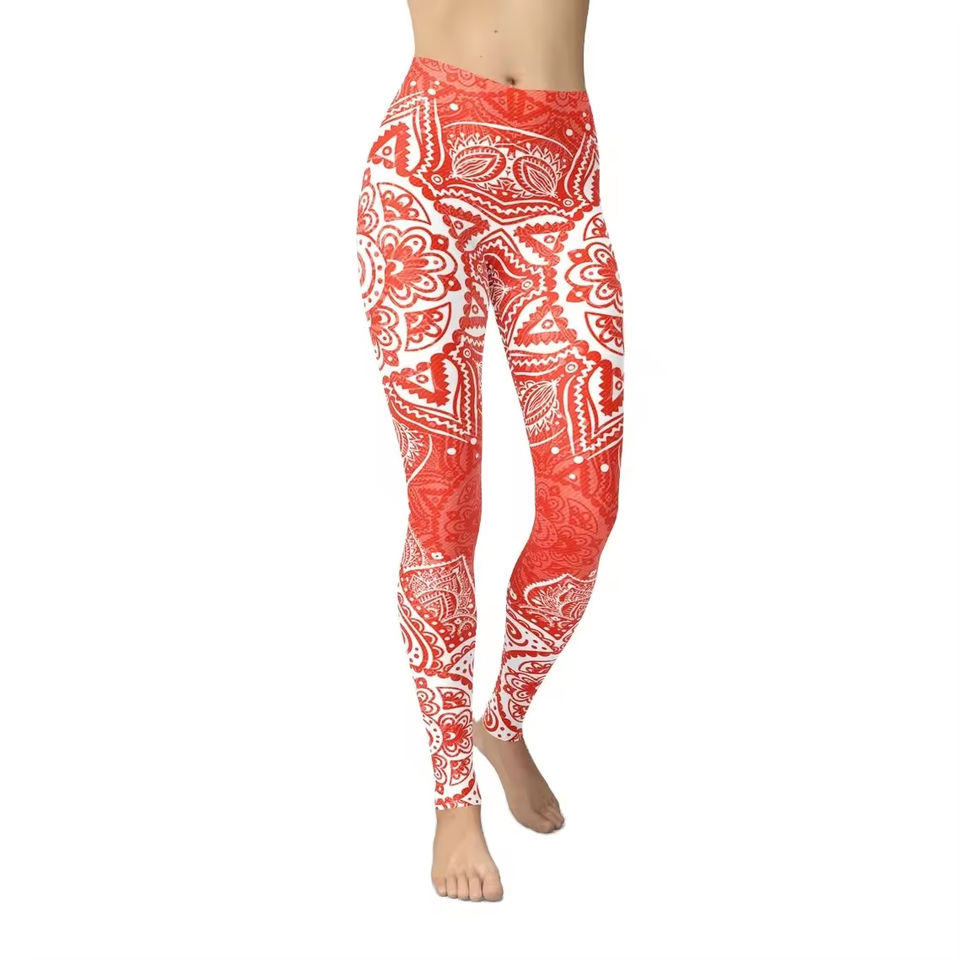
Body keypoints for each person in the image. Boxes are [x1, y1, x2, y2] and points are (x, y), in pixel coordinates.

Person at [355, 0, 622, 901]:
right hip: (424, 176)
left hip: (561, 188)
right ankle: (452, 796)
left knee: (585, 512)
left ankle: (501, 723)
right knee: (443, 509)